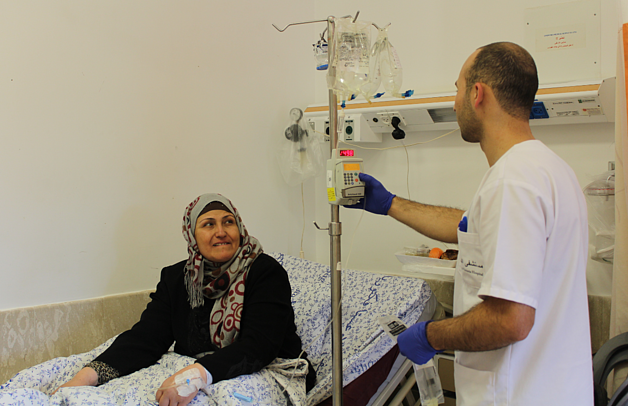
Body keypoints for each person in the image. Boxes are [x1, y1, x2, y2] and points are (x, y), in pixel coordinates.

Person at [347, 42, 593, 405]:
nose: (454, 102)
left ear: (478, 94)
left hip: (517, 394)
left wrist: (431, 335)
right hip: (554, 388)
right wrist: (391, 205)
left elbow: (510, 320)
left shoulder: (513, 182)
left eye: (458, 89)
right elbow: (472, 228)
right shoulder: (549, 169)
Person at [56, 193, 316, 405]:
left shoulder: (264, 271)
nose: (221, 231)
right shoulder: (177, 278)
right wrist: (87, 377)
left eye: (228, 222)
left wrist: (195, 376)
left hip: (267, 369)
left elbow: (260, 345)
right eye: (208, 224)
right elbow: (146, 338)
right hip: (198, 368)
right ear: (191, 234)